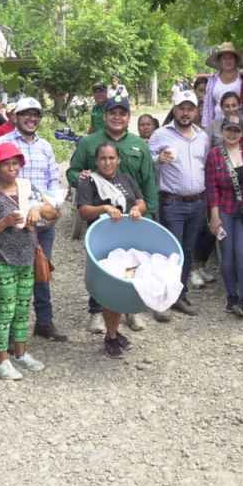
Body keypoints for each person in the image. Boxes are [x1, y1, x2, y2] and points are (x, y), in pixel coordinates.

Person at [68, 95, 158, 332]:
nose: (117, 117)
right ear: (105, 116)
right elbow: (72, 173)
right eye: (112, 113)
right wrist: (85, 179)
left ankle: (131, 310)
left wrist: (148, 211)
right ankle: (96, 312)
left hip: (132, 218)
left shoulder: (139, 144)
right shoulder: (89, 142)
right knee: (100, 265)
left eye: (123, 113)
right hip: (101, 222)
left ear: (129, 117)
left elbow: (148, 180)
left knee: (132, 262)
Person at [0, 97, 66, 342]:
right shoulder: (1, 142)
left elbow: (53, 181)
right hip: (8, 222)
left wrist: (41, 205)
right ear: (15, 116)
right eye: (26, 114)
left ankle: (43, 321)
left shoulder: (46, 147)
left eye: (36, 114)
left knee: (40, 269)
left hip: (40, 219)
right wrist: (9, 198)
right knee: (8, 273)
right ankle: (7, 330)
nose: (31, 118)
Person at [0, 143, 46, 380]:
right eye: (6, 164)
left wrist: (38, 211)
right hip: (3, 260)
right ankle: (1, 360)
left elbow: (52, 210)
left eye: (15, 163)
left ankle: (20, 353)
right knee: (5, 310)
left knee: (22, 309)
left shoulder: (26, 187)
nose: (12, 168)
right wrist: (5, 222)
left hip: (27, 257)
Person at [76, 143, 148, 357]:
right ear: (96, 161)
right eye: (103, 158)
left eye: (111, 158)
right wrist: (104, 208)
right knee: (110, 291)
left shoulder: (126, 179)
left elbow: (141, 202)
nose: (107, 162)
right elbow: (84, 211)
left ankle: (115, 332)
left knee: (126, 283)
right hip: (103, 244)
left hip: (126, 242)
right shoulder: (88, 181)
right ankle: (111, 336)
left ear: (118, 160)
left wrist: (137, 209)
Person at [149, 89, 211, 321]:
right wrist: (158, 159)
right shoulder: (160, 135)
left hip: (197, 203)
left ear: (196, 111)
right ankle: (161, 300)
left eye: (190, 108)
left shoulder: (202, 137)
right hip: (172, 203)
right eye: (181, 108)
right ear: (174, 109)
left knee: (186, 251)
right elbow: (146, 162)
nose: (185, 113)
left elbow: (205, 165)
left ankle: (179, 296)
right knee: (169, 252)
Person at [205, 114, 243, 317]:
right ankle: (231, 296)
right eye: (228, 129)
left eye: (236, 130)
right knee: (227, 257)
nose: (232, 134)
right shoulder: (214, 154)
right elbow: (211, 187)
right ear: (222, 131)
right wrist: (214, 216)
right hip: (225, 209)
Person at [201, 42, 243, 132]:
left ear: (235, 60)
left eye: (230, 58)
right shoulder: (213, 80)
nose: (228, 61)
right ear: (220, 61)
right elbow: (208, 105)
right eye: (224, 58)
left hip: (240, 124)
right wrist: (207, 127)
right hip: (218, 124)